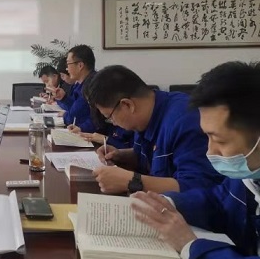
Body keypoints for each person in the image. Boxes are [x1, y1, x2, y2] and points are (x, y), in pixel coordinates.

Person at [131, 61, 260, 259]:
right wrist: (169, 203)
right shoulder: (249, 175)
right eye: (206, 137)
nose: (210, 151)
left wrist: (189, 245)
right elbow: (219, 201)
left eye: (220, 140)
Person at [85, 65, 224, 194]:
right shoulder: (145, 115)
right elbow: (150, 158)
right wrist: (121, 155)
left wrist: (132, 181)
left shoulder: (184, 121)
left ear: (127, 105)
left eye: (109, 117)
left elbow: (197, 187)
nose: (113, 123)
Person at [49, 45, 95, 132]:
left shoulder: (92, 85)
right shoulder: (80, 84)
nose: (67, 68)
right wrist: (63, 97)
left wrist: (65, 115)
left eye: (68, 64)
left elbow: (73, 117)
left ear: (80, 65)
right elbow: (75, 107)